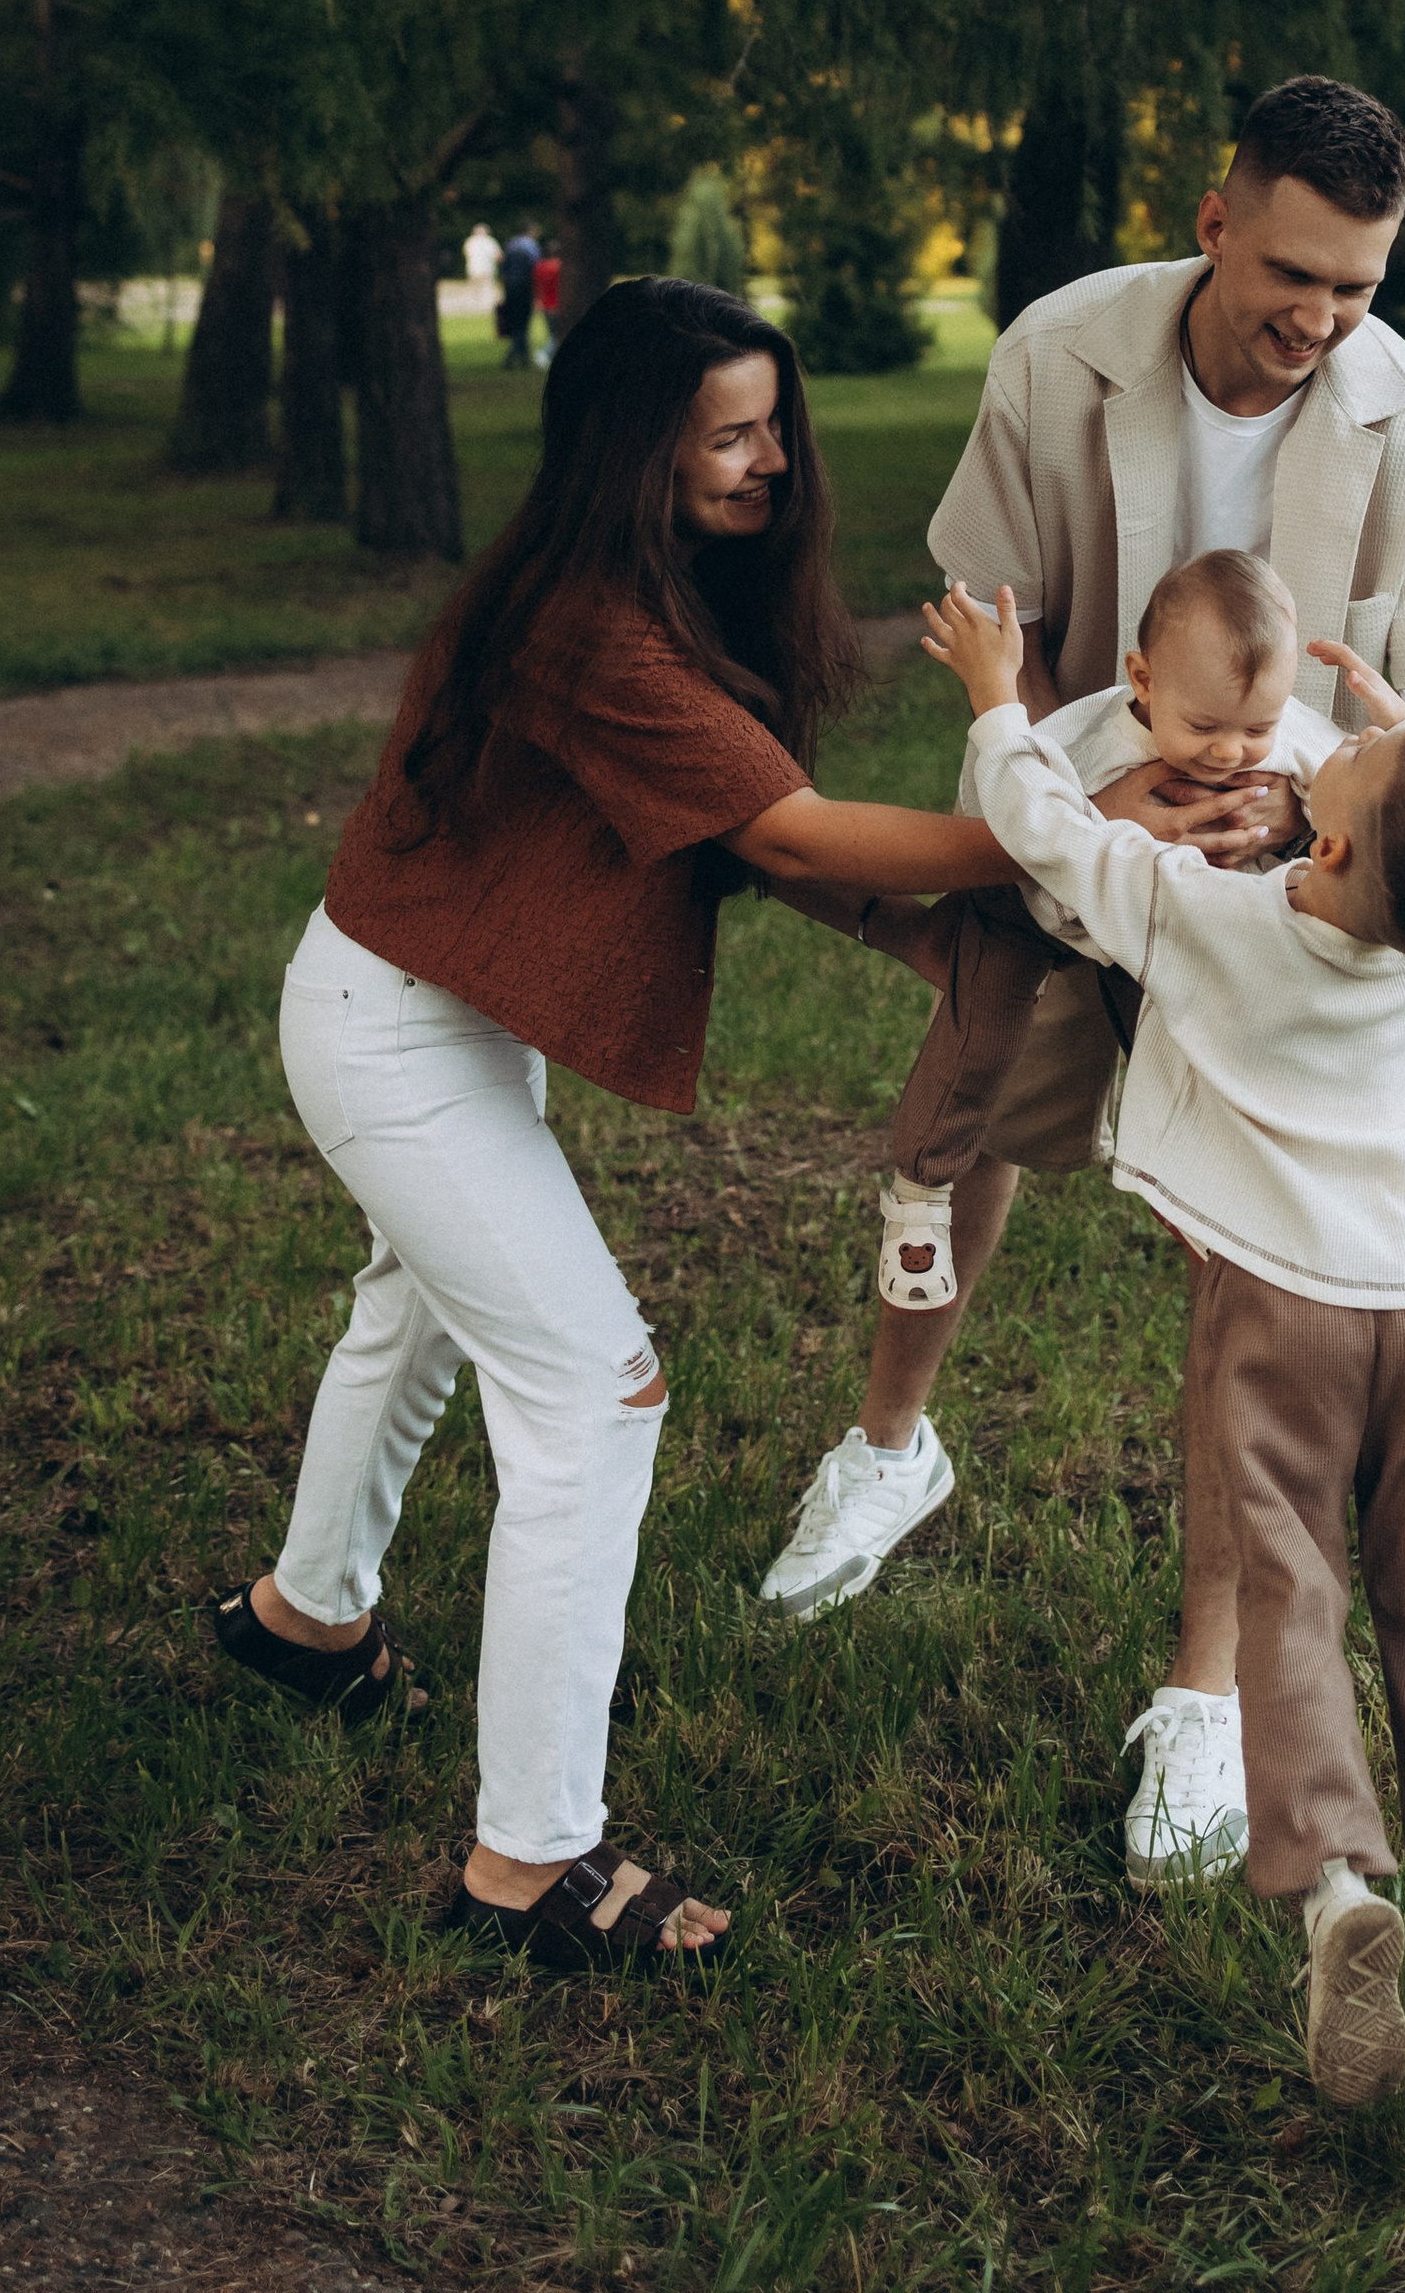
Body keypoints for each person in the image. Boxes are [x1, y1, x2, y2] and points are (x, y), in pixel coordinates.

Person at [212, 281, 1021, 1970]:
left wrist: (928, 934)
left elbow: (734, 832)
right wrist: (1060, 840)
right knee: (600, 1393)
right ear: (627, 450)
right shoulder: (587, 627)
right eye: (726, 436)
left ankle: (306, 1621)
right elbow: (786, 833)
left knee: (413, 1316)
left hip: (428, 1010)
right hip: (395, 1034)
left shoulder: (661, 598)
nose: (770, 462)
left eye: (774, 425)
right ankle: (532, 1866)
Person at [758, 73, 1405, 1890]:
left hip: (1276, 904)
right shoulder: (1057, 355)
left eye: (1359, 287)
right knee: (970, 1133)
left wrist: (1286, 821)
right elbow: (986, 635)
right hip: (1072, 829)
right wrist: (1089, 807)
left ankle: (1207, 1691)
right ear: (1216, 219)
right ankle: (891, 1447)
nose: (1319, 320)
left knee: (1257, 1287)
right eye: (1293, 273)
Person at [922, 579, 1405, 2105]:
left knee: (1289, 1585)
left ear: (1325, 848)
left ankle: (1339, 1887)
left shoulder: (1210, 922)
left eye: (1348, 755)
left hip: (1286, 1307)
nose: (1327, 742)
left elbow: (1050, 834)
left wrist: (997, 699)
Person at [873, 548, 1342, 1308]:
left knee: (1214, 1056)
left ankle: (1221, 1201)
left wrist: (1301, 813)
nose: (1231, 750)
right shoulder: (1091, 739)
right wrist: (999, 703)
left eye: (1258, 726)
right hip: (1046, 916)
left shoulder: (1289, 734)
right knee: (982, 1016)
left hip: (1180, 932)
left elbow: (1358, 787)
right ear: (1143, 679)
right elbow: (1016, 800)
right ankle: (925, 1186)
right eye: (1204, 726)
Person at [498, 221, 540, 368]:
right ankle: (513, 356)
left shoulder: (511, 244)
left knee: (515, 321)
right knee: (523, 323)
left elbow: (503, 267)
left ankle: (523, 357)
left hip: (511, 287)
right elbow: (535, 268)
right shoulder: (531, 246)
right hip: (525, 287)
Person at [462, 222, 502, 327]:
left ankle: (474, 306)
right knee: (486, 288)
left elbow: (466, 253)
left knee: (474, 288)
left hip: (474, 268)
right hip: (487, 269)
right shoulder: (490, 241)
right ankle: (485, 307)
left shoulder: (470, 241)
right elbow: (498, 255)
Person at [533, 237, 564, 366]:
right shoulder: (561, 267)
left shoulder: (540, 267)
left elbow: (537, 286)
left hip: (545, 304)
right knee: (557, 334)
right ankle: (544, 354)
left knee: (552, 332)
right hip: (558, 304)